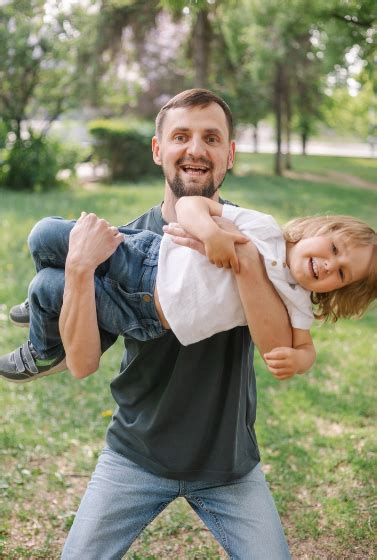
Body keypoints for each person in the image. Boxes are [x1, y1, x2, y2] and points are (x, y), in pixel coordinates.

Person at [1, 89, 309, 559]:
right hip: (135, 455)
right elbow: (82, 364)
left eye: (211, 138)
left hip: (227, 464)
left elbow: (277, 348)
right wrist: (80, 271)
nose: (195, 149)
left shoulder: (249, 235)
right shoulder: (123, 247)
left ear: (230, 154)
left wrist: (241, 258)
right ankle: (41, 303)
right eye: (181, 136)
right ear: (158, 149)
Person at [1, 197, 376, 383]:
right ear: (319, 230)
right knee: (46, 234)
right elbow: (191, 204)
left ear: (338, 290)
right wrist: (211, 232)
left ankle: (45, 347)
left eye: (341, 274)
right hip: (143, 254)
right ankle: (44, 315)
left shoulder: (296, 302)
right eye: (333, 249)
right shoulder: (262, 227)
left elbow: (303, 347)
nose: (328, 265)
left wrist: (299, 361)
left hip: (146, 310)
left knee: (49, 287)